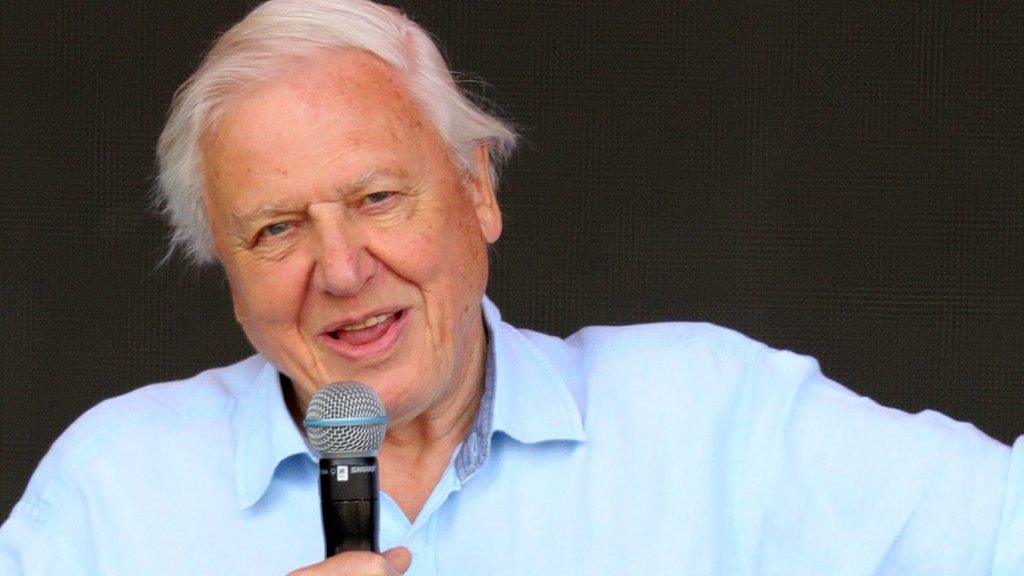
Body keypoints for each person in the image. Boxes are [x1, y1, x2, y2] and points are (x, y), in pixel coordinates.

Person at [1, 0, 1021, 574]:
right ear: (225, 263)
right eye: (276, 229)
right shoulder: (114, 494)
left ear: (476, 189)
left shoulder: (711, 421)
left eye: (377, 197)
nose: (344, 269)